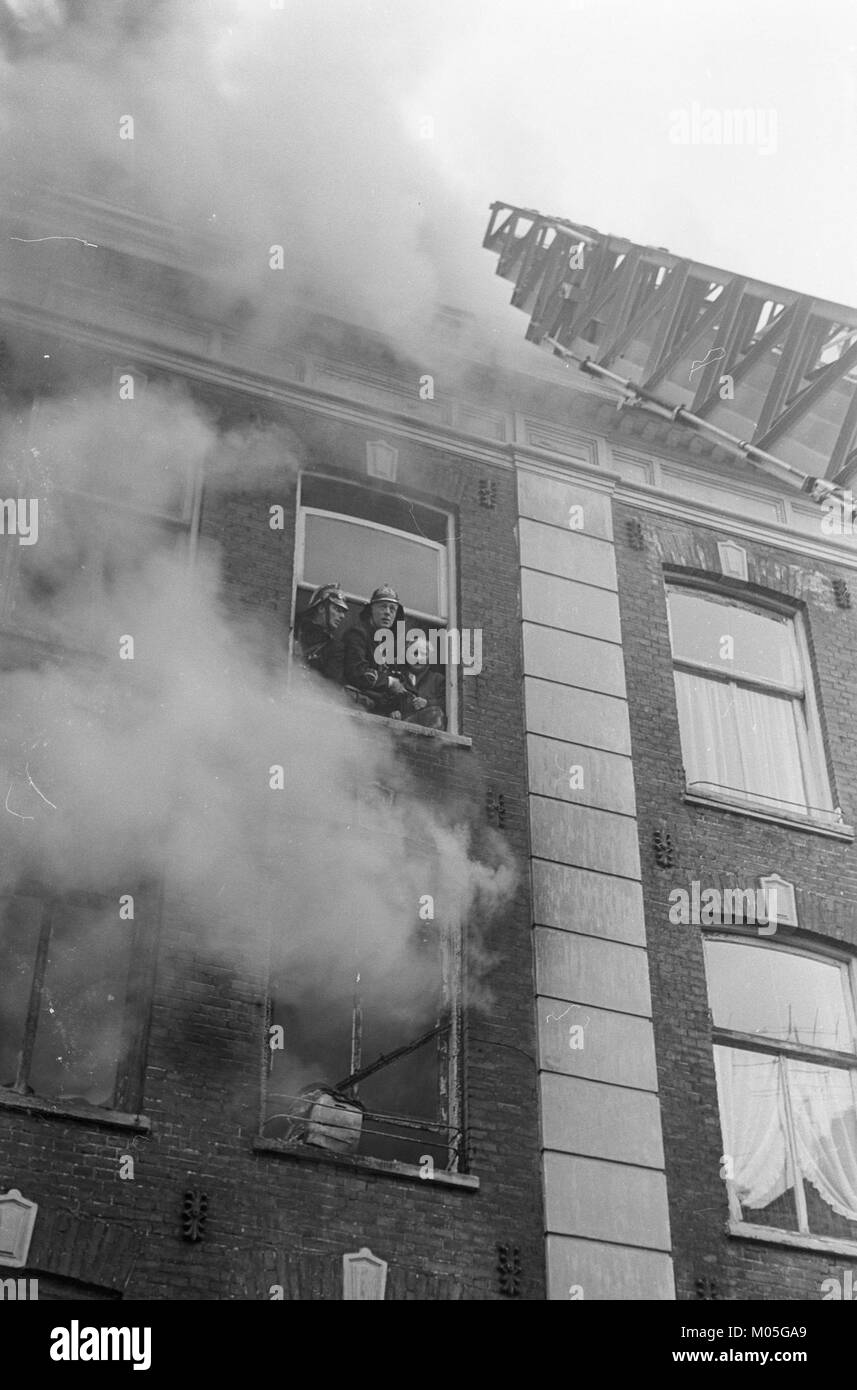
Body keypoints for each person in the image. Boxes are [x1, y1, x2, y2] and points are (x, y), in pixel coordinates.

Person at [343, 584, 419, 719]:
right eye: (383, 607)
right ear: (371, 609)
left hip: (379, 713)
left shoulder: (391, 645)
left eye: (392, 609)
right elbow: (357, 672)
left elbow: (405, 685)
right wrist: (390, 682)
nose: (387, 612)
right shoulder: (358, 635)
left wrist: (396, 706)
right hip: (352, 708)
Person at [295, 582, 349, 683]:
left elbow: (331, 686)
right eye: (337, 609)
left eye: (343, 612)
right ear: (321, 608)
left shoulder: (334, 648)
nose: (342, 616)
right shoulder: (294, 625)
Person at [402, 634, 446, 729]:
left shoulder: (438, 680)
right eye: (414, 653)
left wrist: (427, 703)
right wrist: (393, 712)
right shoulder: (399, 678)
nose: (418, 659)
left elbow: (447, 704)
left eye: (423, 654)